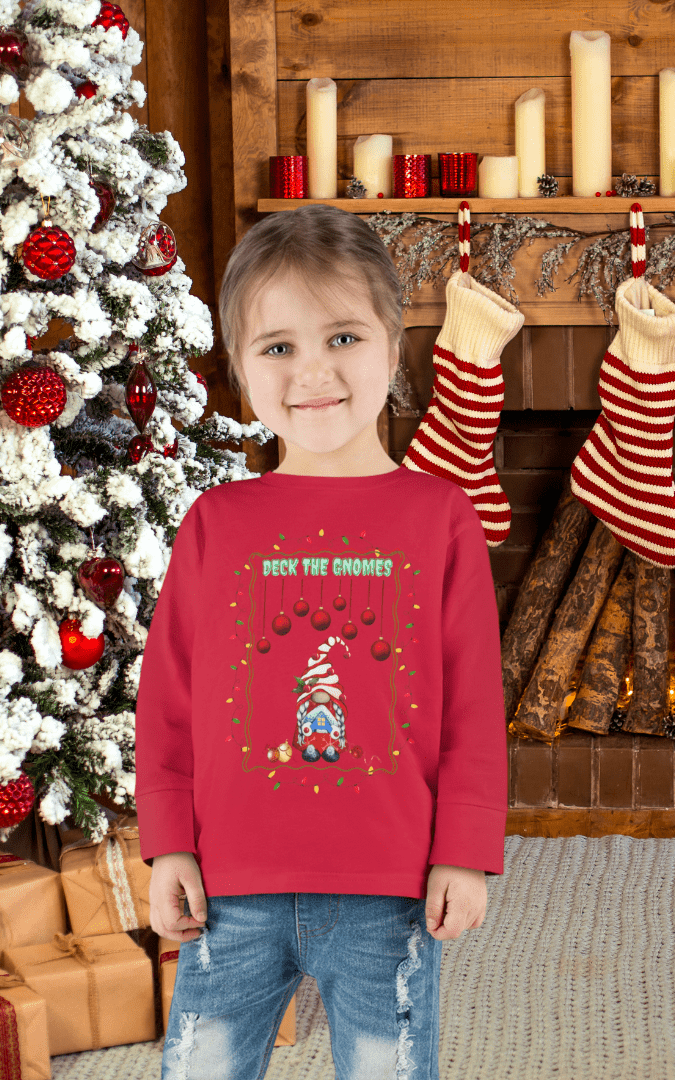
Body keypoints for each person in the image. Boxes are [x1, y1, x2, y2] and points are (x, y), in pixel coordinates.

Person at [134, 204, 508, 1080]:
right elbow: (171, 700)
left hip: (388, 890)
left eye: (342, 337)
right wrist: (169, 844)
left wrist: (464, 849)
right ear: (242, 369)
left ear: (391, 344)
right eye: (278, 349)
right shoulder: (216, 523)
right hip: (230, 892)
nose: (314, 372)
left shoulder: (439, 518)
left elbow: (473, 705)